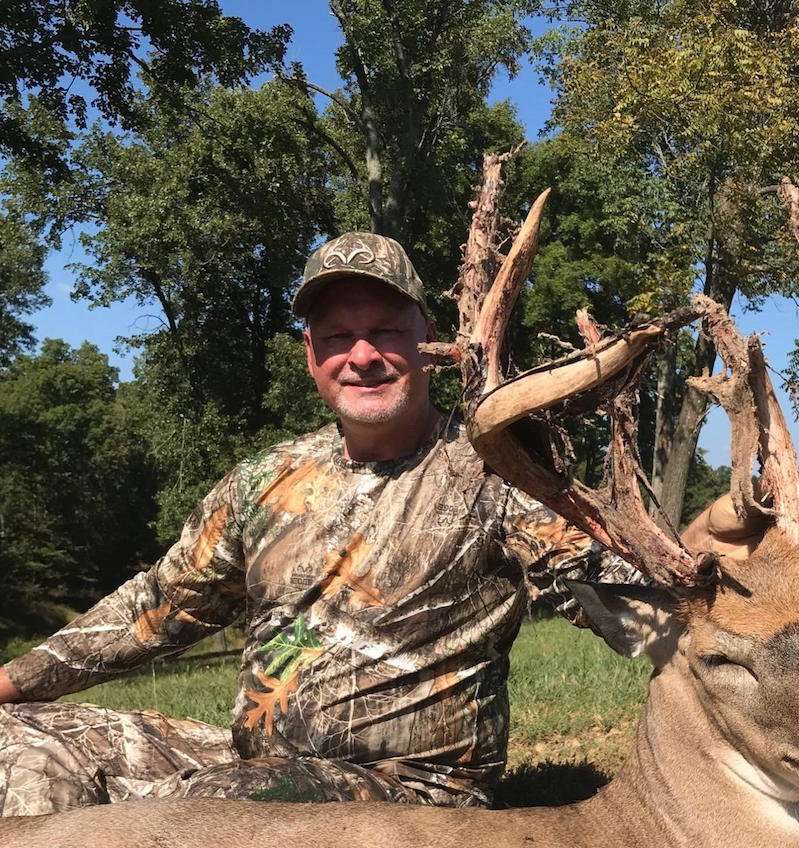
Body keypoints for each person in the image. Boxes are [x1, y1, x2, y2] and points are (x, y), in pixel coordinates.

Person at [0, 232, 755, 817]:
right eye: (336, 336)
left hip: (407, 801)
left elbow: (613, 595)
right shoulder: (268, 479)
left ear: (430, 338)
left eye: (386, 331)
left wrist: (702, 576)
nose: (361, 357)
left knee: (166, 822)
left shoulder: (495, 471)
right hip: (254, 770)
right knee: (19, 751)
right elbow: (154, 609)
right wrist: (13, 680)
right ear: (311, 355)